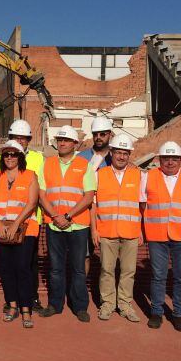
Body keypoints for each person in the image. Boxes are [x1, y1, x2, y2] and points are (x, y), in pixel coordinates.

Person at [36, 126, 96, 322]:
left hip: (77, 225)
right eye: (60, 140)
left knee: (78, 267)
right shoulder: (48, 164)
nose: (62, 143)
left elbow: (88, 197)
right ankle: (55, 304)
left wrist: (68, 216)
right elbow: (42, 194)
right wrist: (55, 216)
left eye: (66, 140)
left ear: (75, 144)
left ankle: (80, 306)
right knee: (55, 267)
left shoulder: (84, 165)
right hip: (54, 225)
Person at [141, 141, 181, 332]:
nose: (171, 162)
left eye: (175, 158)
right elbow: (143, 204)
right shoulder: (149, 176)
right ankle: (156, 312)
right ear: (160, 159)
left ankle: (178, 314)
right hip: (157, 236)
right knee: (158, 276)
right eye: (167, 158)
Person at [0, 140, 40, 329]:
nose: (10, 157)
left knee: (23, 268)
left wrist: (15, 224)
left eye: (14, 154)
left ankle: (26, 307)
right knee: (6, 269)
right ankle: (12, 306)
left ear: (20, 157)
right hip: (2, 230)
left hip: (25, 229)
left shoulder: (30, 176)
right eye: (7, 154)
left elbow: (32, 203)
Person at [0, 119, 45, 312]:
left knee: (30, 263)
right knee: (9, 263)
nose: (20, 142)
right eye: (16, 138)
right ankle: (13, 300)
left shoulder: (39, 159)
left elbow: (39, 192)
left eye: (23, 138)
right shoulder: (0, 159)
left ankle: (31, 298)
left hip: (31, 220)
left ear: (29, 140)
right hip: (5, 221)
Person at [91, 134, 142, 322]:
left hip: (130, 232)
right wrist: (94, 229)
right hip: (107, 231)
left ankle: (125, 304)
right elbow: (93, 204)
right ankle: (107, 303)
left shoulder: (138, 175)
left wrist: (141, 231)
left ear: (129, 155)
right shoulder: (100, 174)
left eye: (125, 153)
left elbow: (142, 204)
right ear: (111, 152)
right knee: (106, 270)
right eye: (118, 152)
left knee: (129, 270)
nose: (121, 156)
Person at [78, 116, 114, 275]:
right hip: (85, 214)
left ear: (110, 135)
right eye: (96, 134)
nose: (99, 137)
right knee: (84, 255)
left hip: (108, 215)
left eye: (103, 134)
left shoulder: (116, 158)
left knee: (108, 259)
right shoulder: (81, 157)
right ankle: (81, 290)